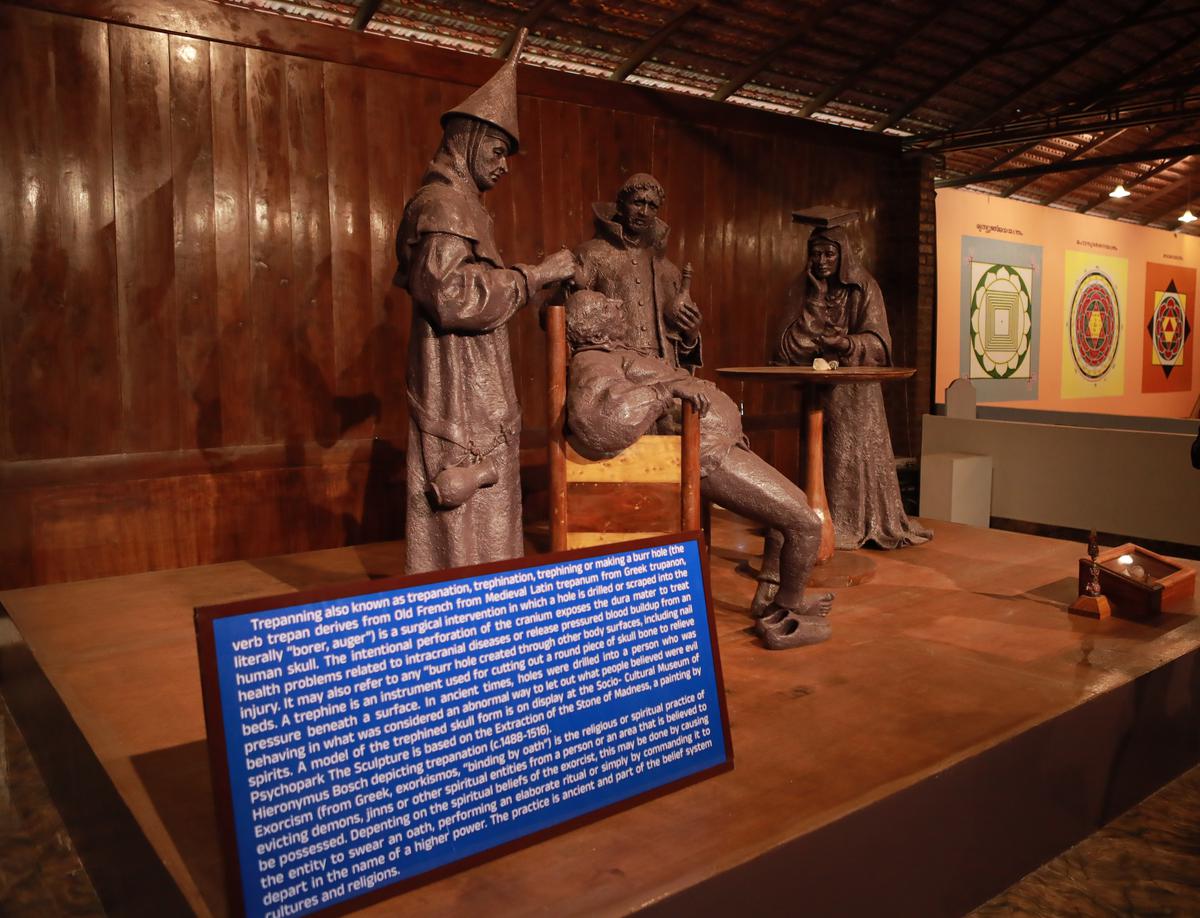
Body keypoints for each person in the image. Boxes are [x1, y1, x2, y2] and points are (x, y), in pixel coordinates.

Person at [395, 30, 575, 574]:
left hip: (475, 388)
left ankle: (490, 615)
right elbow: (451, 298)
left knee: (485, 521)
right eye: (498, 150)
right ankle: (468, 629)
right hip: (458, 392)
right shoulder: (444, 205)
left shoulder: (460, 207)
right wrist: (535, 274)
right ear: (470, 139)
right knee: (464, 518)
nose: (504, 164)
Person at [566, 290, 833, 649]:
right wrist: (666, 391)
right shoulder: (594, 362)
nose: (618, 304)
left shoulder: (613, 353)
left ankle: (774, 602)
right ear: (595, 331)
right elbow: (600, 423)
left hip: (719, 445)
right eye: (606, 306)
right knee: (804, 521)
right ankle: (790, 612)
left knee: (792, 511)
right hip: (706, 453)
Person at [756, 222, 931, 608]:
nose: (820, 261)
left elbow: (879, 343)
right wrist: (815, 303)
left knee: (848, 452)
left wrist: (847, 343)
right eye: (815, 254)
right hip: (813, 389)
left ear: (844, 256)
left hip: (855, 391)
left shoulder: (863, 287)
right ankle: (809, 523)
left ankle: (848, 520)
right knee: (819, 449)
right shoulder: (802, 289)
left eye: (829, 254)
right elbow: (787, 344)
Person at [573, 174, 702, 372]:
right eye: (638, 203)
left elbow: (681, 352)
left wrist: (691, 335)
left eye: (652, 206)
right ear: (620, 205)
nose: (644, 212)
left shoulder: (669, 272)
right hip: (614, 373)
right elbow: (566, 323)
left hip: (665, 372)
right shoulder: (591, 254)